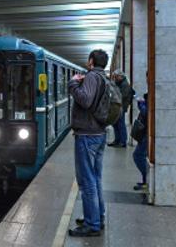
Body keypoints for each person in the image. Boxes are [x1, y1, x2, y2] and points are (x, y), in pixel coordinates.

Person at [67, 49, 109, 237]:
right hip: (98, 132)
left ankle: (92, 224)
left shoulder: (92, 77)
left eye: (88, 58)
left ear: (91, 61)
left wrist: (73, 83)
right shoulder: (103, 77)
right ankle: (97, 217)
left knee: (87, 181)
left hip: (87, 134)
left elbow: (85, 100)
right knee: (96, 178)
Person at [108, 70, 134, 148]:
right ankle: (117, 140)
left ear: (120, 76)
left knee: (120, 124)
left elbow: (121, 96)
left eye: (116, 76)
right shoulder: (119, 83)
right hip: (117, 106)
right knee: (115, 124)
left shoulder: (125, 84)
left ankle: (123, 141)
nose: (115, 78)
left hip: (121, 107)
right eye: (114, 77)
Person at [132, 93, 148, 191]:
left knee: (138, 155)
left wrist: (141, 104)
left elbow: (146, 113)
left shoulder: (152, 96)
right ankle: (145, 180)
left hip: (146, 133)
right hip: (145, 133)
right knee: (140, 156)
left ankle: (147, 180)